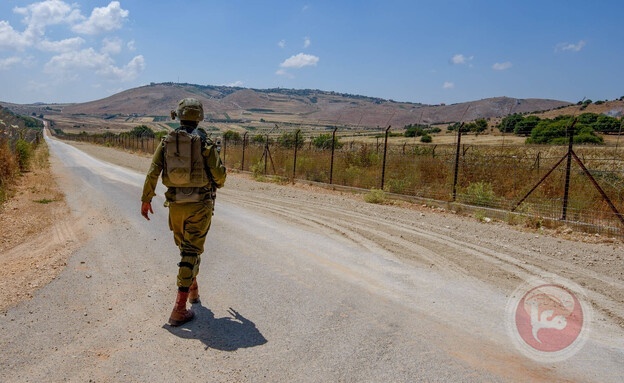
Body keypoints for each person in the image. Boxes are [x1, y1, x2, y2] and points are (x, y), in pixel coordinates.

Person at [140, 98, 226, 326]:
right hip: (200, 205)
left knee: (186, 250)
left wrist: (146, 199)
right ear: (199, 116)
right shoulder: (204, 142)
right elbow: (220, 178)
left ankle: (194, 290)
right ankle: (179, 309)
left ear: (177, 116)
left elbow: (152, 171)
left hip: (175, 205)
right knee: (190, 252)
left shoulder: (167, 141)